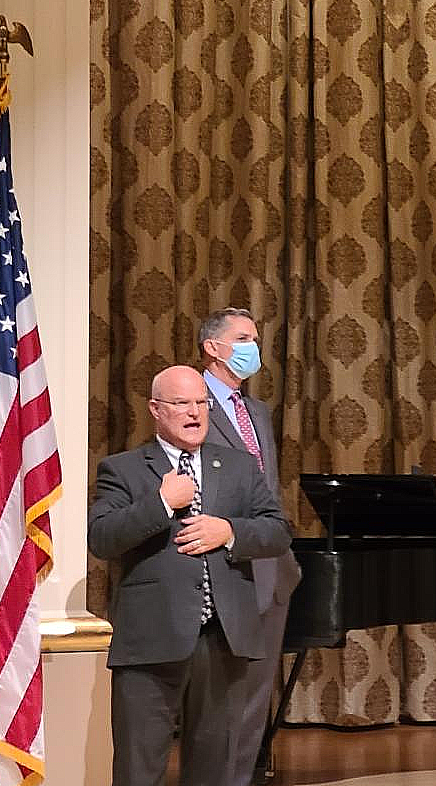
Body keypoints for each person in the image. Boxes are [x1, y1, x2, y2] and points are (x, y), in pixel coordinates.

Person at [89, 365, 292, 786]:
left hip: (222, 639)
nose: (195, 412)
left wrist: (230, 531)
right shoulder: (123, 469)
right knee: (138, 770)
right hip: (151, 641)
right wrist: (161, 502)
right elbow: (102, 538)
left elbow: (277, 530)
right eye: (182, 403)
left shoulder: (238, 466)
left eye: (201, 402)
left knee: (214, 770)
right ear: (156, 409)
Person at [197, 307, 301, 785]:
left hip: (270, 566)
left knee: (256, 696)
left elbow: (268, 489)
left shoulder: (255, 410)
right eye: (242, 339)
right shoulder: (192, 402)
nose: (252, 348)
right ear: (212, 347)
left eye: (254, 339)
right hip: (221, 565)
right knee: (220, 694)